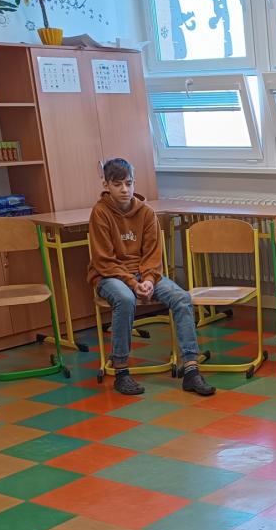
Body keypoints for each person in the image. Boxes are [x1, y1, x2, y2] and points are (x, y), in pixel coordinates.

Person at [87, 158, 214, 398]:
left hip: (144, 275)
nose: (124, 189)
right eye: (117, 184)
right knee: (125, 299)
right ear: (106, 185)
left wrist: (147, 279)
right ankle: (121, 371)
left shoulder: (146, 212)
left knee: (181, 297)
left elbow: (153, 255)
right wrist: (133, 283)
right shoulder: (101, 212)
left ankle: (191, 369)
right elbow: (104, 260)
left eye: (128, 183)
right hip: (109, 276)